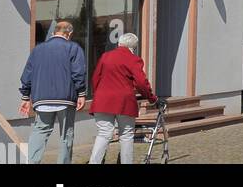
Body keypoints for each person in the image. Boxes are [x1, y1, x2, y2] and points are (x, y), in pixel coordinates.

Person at [19, 19, 87, 164]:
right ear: (69, 34)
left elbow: (27, 74)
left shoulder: (37, 49)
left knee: (40, 131)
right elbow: (78, 73)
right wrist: (81, 93)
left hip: (41, 99)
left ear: (54, 32)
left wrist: (25, 97)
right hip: (66, 98)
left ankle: (31, 162)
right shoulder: (73, 48)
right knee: (66, 134)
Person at [88, 33, 157, 165]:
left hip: (103, 101)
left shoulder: (105, 56)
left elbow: (95, 78)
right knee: (126, 135)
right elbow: (141, 83)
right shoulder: (133, 59)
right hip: (124, 102)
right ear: (133, 47)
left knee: (103, 134)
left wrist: (99, 94)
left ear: (119, 44)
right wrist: (151, 98)